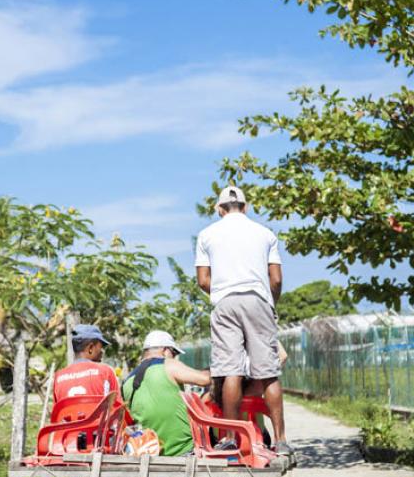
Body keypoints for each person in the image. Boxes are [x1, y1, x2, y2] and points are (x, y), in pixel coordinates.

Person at [195, 185, 292, 455]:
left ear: (219, 209)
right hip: (258, 299)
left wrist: (224, 289)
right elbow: (277, 279)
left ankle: (228, 436)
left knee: (230, 371)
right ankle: (281, 440)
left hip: (225, 302)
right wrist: (269, 302)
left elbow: (203, 280)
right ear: (246, 208)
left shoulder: (206, 235)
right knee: (269, 372)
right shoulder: (265, 234)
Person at [53, 323, 121, 477]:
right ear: (91, 347)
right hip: (99, 444)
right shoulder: (105, 371)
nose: (102, 352)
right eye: (101, 347)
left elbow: (58, 413)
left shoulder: (59, 376)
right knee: (109, 470)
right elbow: (116, 408)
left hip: (70, 444)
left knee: (73, 460)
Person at [121, 330, 210, 457]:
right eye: (173, 353)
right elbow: (204, 380)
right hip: (183, 450)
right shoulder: (169, 364)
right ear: (165, 350)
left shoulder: (127, 381)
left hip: (149, 453)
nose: (174, 357)